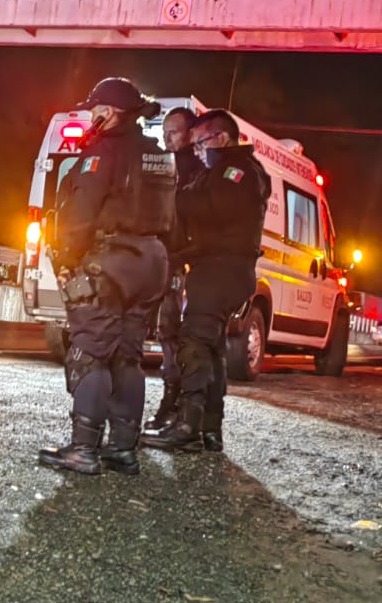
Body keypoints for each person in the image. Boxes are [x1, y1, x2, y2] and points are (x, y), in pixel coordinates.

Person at [37, 77, 175, 476]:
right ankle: (123, 450)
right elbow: (173, 219)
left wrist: (65, 259)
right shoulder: (158, 155)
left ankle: (83, 450)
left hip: (110, 261)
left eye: (95, 108)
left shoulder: (101, 154)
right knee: (127, 357)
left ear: (110, 112)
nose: (91, 115)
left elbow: (80, 216)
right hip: (152, 261)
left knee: (90, 351)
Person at [143, 109, 270, 453]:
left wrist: (172, 198)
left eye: (199, 143)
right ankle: (210, 430)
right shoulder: (224, 171)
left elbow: (212, 207)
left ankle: (186, 427)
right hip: (216, 268)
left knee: (194, 343)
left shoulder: (236, 171)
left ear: (221, 138)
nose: (196, 151)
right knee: (212, 350)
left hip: (221, 270)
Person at [145, 105, 203, 434]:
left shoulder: (192, 171)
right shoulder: (168, 166)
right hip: (165, 260)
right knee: (167, 336)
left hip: (181, 263)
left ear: (189, 134)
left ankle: (174, 407)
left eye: (173, 133)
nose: (166, 139)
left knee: (173, 337)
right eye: (164, 132)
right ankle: (174, 407)